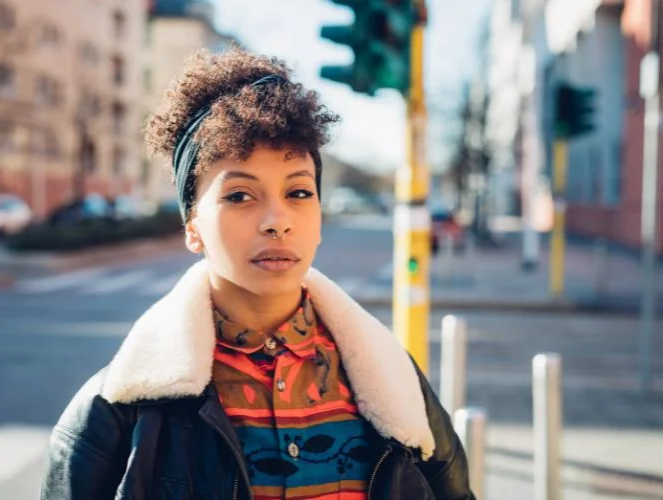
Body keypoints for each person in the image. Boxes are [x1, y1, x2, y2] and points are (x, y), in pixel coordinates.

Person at [40, 47, 474, 500]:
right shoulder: (116, 412)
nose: (277, 220)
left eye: (299, 192)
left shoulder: (391, 380)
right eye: (241, 196)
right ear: (193, 227)